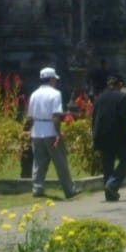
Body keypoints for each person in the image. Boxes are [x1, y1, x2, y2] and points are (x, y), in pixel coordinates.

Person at [27, 67, 81, 199]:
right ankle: (69, 189)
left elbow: (29, 116)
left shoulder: (34, 94)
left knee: (39, 162)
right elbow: (56, 116)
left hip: (37, 130)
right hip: (50, 130)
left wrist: (30, 130)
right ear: (51, 79)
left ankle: (37, 188)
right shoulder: (55, 94)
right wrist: (58, 133)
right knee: (60, 162)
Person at [92, 73, 126, 201]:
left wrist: (94, 135)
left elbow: (94, 118)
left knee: (107, 164)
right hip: (118, 136)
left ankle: (109, 193)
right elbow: (125, 121)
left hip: (102, 136)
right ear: (120, 85)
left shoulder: (99, 98)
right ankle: (112, 184)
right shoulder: (122, 98)